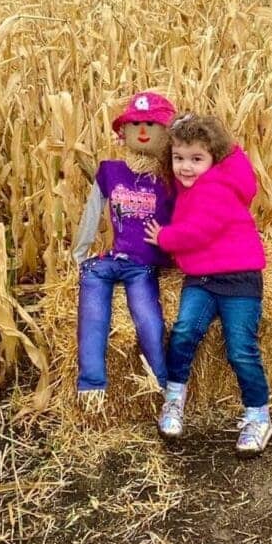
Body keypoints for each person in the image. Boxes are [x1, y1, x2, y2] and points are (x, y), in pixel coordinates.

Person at [144, 114, 272, 457]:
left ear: (215, 158)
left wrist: (164, 237)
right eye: (179, 158)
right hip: (201, 277)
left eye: (196, 159)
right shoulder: (197, 183)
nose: (185, 167)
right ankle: (174, 398)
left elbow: (197, 231)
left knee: (241, 348)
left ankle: (258, 415)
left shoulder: (214, 189)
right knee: (184, 330)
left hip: (239, 278)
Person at [73, 92, 176, 407]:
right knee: (91, 305)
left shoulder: (172, 176)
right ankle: (91, 385)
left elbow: (190, 218)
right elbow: (92, 212)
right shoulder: (110, 171)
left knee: (147, 317)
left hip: (143, 264)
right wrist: (80, 256)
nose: (143, 131)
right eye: (135, 124)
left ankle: (161, 383)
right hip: (111, 258)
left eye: (151, 124)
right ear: (124, 131)